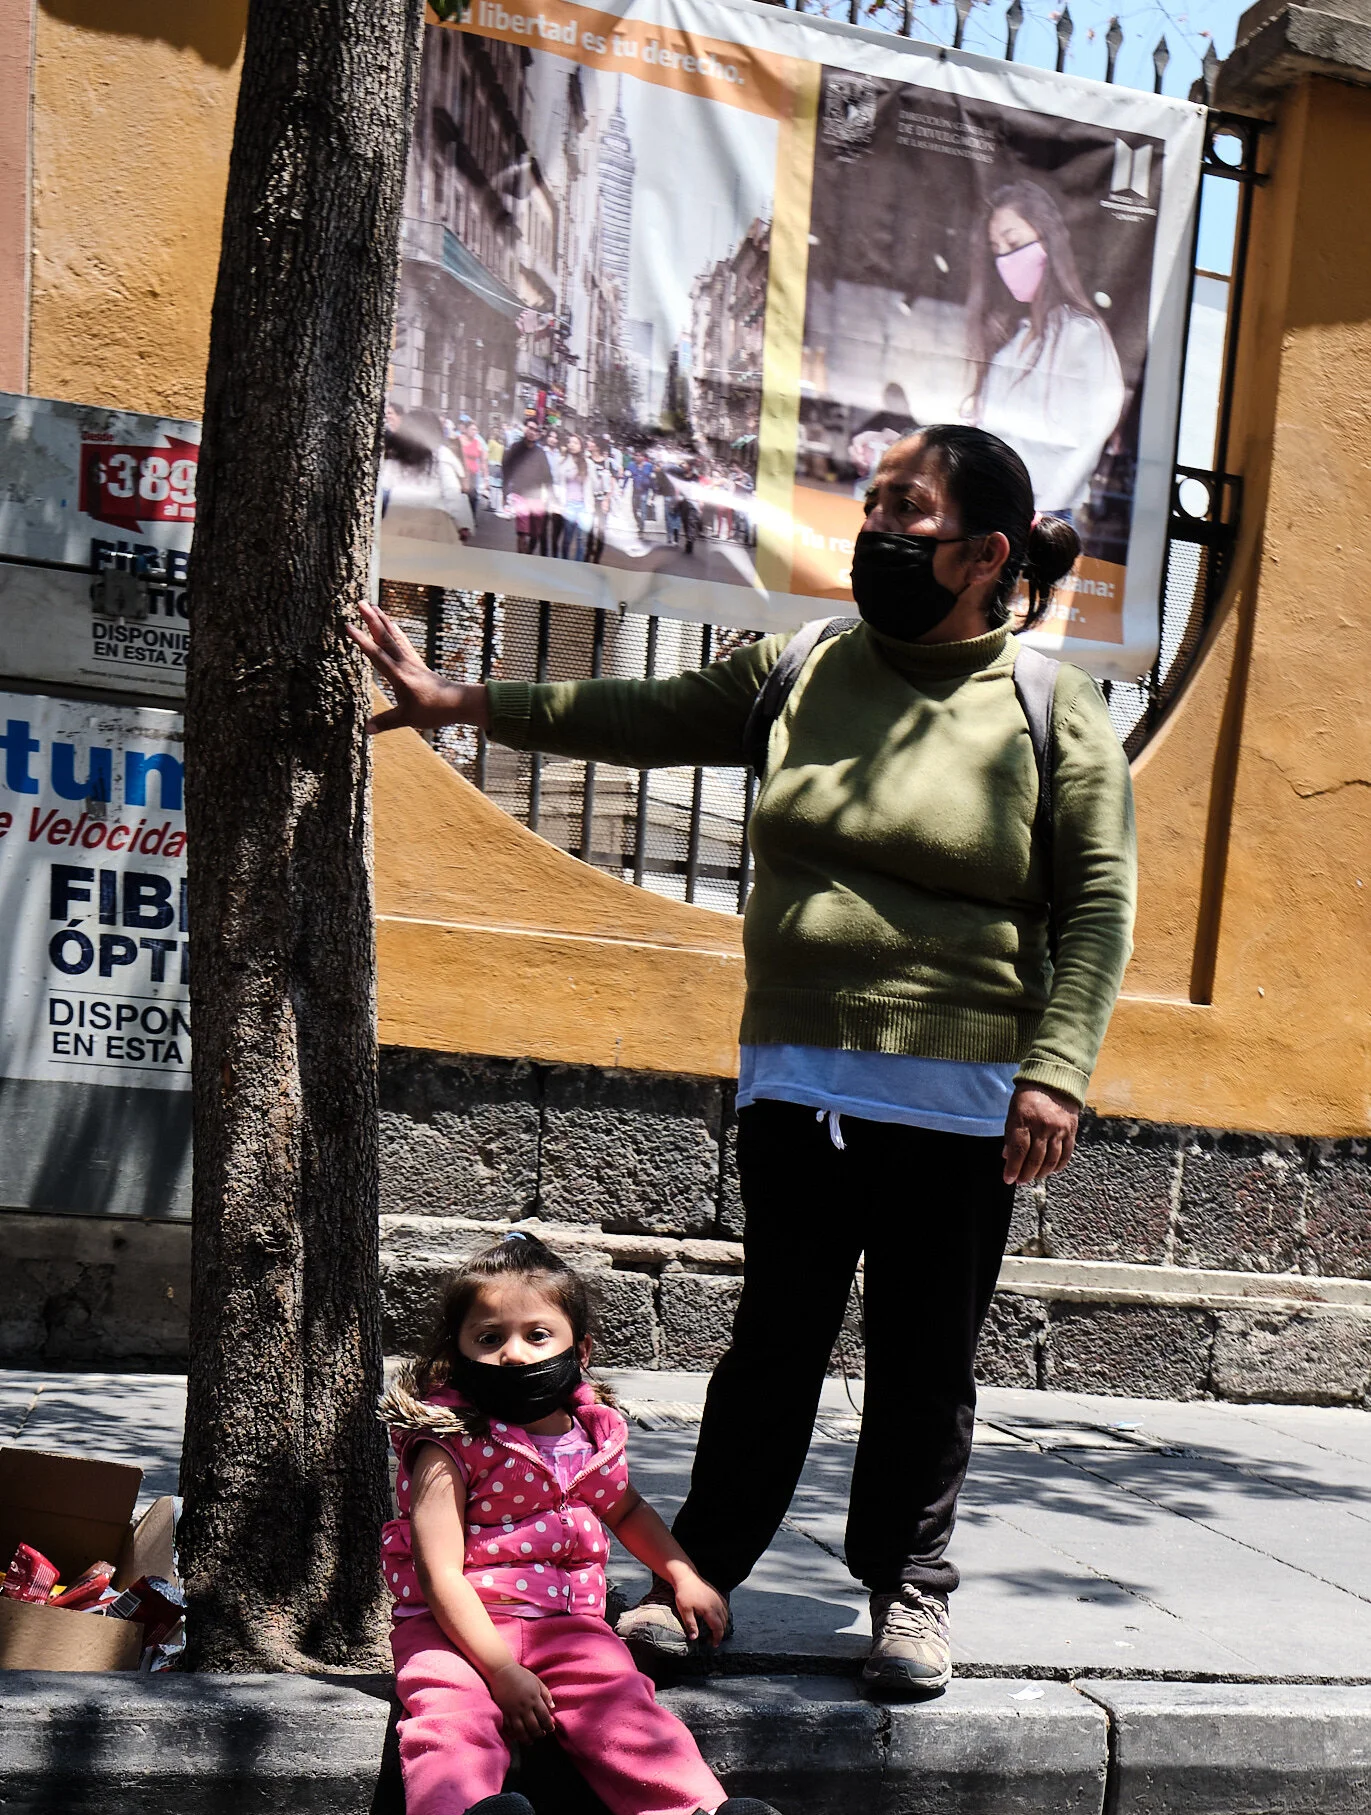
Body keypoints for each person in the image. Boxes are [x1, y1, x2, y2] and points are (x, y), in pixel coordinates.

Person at [350, 421, 1137, 1702]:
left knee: (924, 1360)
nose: (878, 530)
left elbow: (1097, 904)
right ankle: (701, 1573)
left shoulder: (1052, 706)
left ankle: (909, 1588)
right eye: (874, 503)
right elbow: (641, 711)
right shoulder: (805, 664)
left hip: (959, 1101)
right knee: (773, 1346)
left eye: (910, 510)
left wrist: (1057, 1069)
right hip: (796, 1086)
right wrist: (464, 701)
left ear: (986, 554)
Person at [378, 1232, 803, 1815]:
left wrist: (680, 1573)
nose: (515, 1354)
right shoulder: (446, 1444)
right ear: (457, 1352)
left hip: (568, 1627)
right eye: (489, 1338)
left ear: (580, 1349)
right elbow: (439, 1571)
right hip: (453, 1628)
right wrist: (501, 1671)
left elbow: (626, 1509)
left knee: (627, 1713)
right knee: (448, 1718)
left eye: (537, 1335)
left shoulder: (586, 1436)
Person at [964, 180, 1125, 518]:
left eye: (1013, 243)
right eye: (996, 250)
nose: (1005, 260)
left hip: (1043, 514)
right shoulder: (1011, 344)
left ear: (1047, 240)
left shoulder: (1080, 333)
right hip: (996, 506)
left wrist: (1044, 507)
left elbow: (1093, 432)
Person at [380, 409, 474, 546]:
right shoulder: (441, 454)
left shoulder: (396, 454)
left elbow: (384, 485)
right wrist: (463, 524)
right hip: (433, 520)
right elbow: (452, 493)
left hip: (397, 515)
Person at [501, 417, 553, 557]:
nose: (531, 432)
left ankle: (528, 553)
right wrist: (504, 494)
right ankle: (521, 556)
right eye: (529, 428)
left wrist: (550, 496)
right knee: (522, 532)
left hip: (536, 497)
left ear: (538, 434)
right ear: (524, 428)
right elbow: (506, 470)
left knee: (535, 533)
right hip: (519, 495)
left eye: (535, 430)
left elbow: (548, 477)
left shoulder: (540, 453)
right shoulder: (515, 448)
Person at [555, 433, 593, 562]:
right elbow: (558, 482)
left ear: (581, 446)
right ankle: (565, 562)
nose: (572, 445)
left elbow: (593, 485)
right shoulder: (562, 461)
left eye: (575, 443)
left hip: (584, 506)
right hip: (568, 505)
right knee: (567, 538)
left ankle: (578, 564)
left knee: (581, 540)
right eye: (570, 442)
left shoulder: (588, 464)